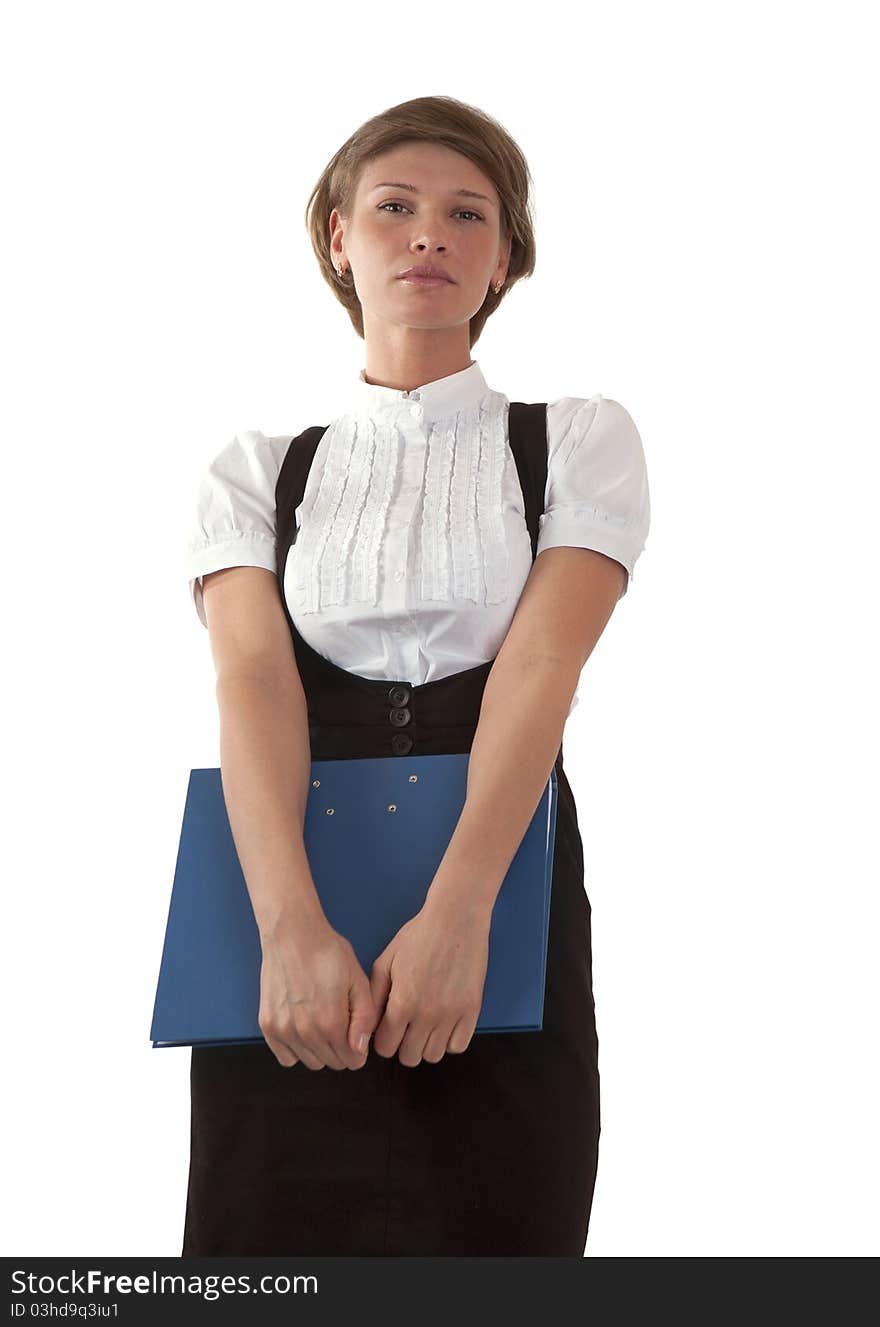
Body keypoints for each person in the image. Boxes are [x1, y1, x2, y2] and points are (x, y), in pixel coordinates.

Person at [180, 94, 651, 1257]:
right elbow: (253, 684)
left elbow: (541, 667)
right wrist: (288, 930)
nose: (428, 234)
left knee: (499, 1224)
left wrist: (459, 911)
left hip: (499, 863)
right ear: (340, 237)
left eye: (465, 214)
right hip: (284, 858)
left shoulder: (575, 439)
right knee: (261, 1246)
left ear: (503, 257)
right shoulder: (258, 471)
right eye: (394, 208)